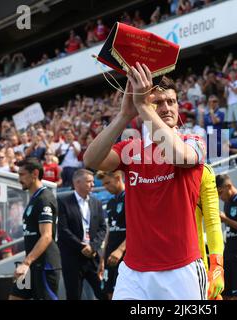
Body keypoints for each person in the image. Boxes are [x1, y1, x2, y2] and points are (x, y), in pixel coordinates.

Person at [83, 65, 207, 300]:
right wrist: (124, 116)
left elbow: (178, 156)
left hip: (180, 268)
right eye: (158, 102)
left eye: (171, 101)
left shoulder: (194, 141)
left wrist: (143, 106)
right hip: (134, 271)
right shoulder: (132, 150)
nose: (166, 107)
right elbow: (91, 160)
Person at [9, 158, 61, 300]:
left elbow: (46, 236)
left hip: (44, 265)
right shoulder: (34, 198)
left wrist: (26, 262)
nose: (19, 179)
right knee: (15, 297)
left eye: (22, 174)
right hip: (31, 264)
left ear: (35, 174)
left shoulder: (44, 198)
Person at [57, 169, 107, 300]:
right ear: (77, 183)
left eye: (92, 181)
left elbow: (102, 228)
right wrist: (81, 247)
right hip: (73, 258)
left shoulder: (96, 202)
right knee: (73, 295)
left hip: (92, 256)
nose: (93, 185)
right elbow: (63, 230)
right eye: (89, 181)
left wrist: (93, 246)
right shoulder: (63, 202)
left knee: (103, 294)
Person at [195, 164, 224, 300]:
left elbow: (212, 222)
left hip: (193, 265)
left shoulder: (201, 171)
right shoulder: (142, 167)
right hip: (148, 264)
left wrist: (217, 266)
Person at [97, 170, 126, 300]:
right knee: (109, 292)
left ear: (118, 177)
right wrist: (102, 258)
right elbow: (110, 230)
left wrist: (120, 250)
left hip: (126, 255)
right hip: (111, 255)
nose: (106, 187)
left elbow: (137, 229)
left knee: (123, 292)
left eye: (108, 183)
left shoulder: (130, 198)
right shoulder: (110, 202)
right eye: (104, 184)